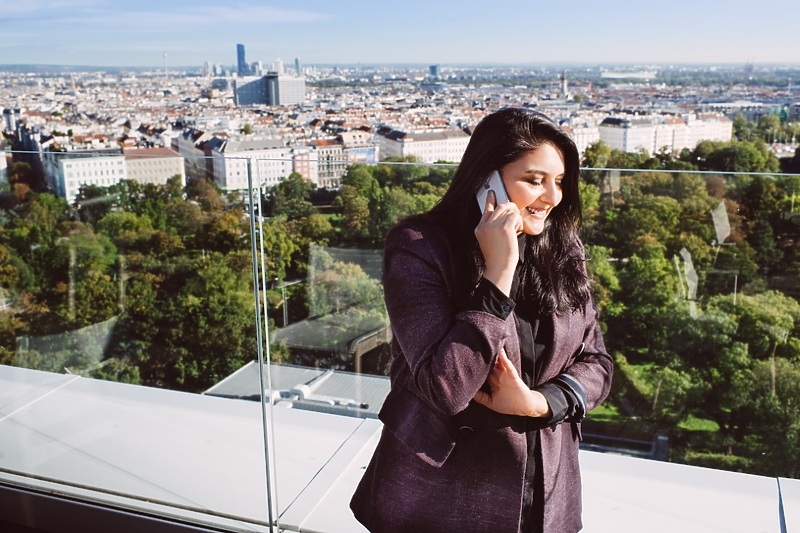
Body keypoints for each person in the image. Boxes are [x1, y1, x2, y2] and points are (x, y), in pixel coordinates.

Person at [350, 107, 614, 532]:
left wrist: (538, 403)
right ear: (486, 179)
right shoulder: (419, 247)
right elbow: (444, 387)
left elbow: (598, 363)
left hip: (544, 494)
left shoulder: (563, 249)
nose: (553, 197)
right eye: (534, 180)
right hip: (442, 498)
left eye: (560, 181)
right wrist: (498, 274)